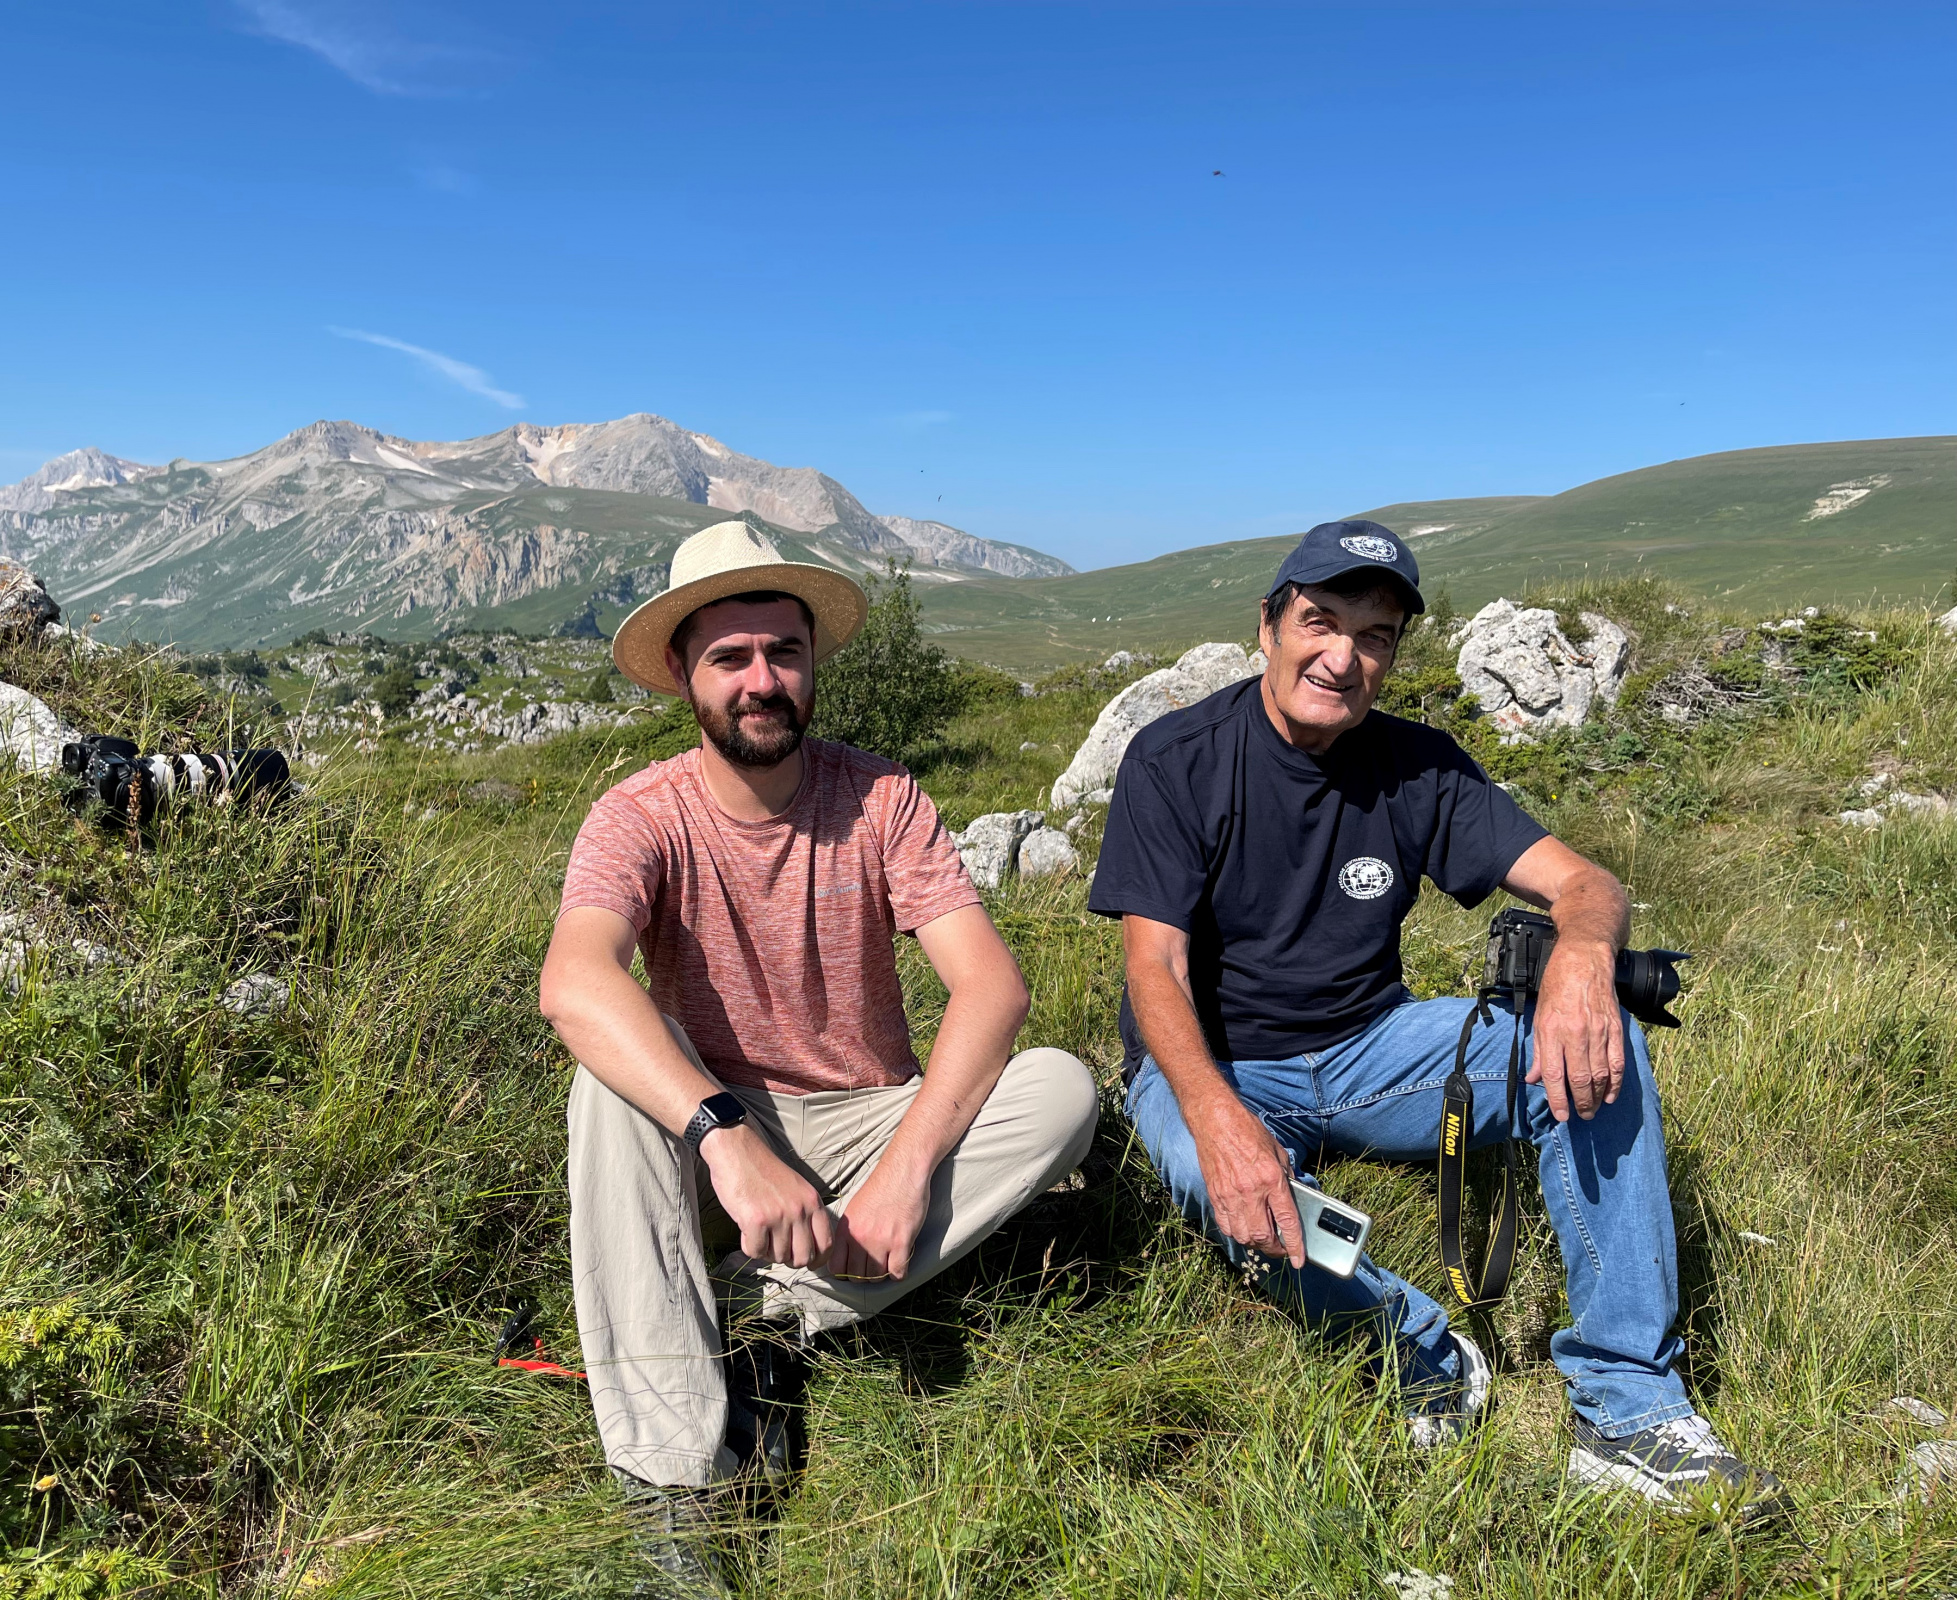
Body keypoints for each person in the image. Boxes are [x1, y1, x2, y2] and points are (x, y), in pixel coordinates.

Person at [1088, 519, 1786, 1524]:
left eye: (1373, 636)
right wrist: (1216, 1115)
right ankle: (1414, 1341)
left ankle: (1625, 1405)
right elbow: (1152, 965)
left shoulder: (1418, 765)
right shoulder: (1177, 758)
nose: (1341, 655)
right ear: (1268, 625)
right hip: (1212, 1057)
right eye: (1318, 621)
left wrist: (1584, 957)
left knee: (1605, 1042)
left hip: (1373, 1045)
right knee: (1211, 1171)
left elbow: (1583, 882)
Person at [540, 520, 1098, 1584]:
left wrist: (904, 1170)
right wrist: (722, 1135)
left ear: (811, 662)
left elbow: (991, 988)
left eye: (782, 652)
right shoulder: (637, 816)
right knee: (606, 1070)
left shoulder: (879, 796)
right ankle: (675, 1475)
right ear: (681, 674)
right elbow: (572, 981)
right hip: (713, 1136)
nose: (762, 679)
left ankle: (760, 1312)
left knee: (1062, 1091)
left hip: (866, 1118)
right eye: (730, 656)